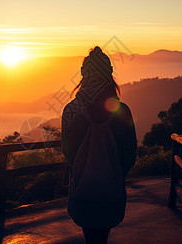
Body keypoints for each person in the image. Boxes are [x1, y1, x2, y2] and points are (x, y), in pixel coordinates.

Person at [62, 46, 137, 244]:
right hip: (112, 193)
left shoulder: (70, 110)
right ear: (109, 74)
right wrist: (113, 173)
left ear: (83, 74)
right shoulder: (122, 111)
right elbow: (130, 155)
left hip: (82, 192)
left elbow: (66, 151)